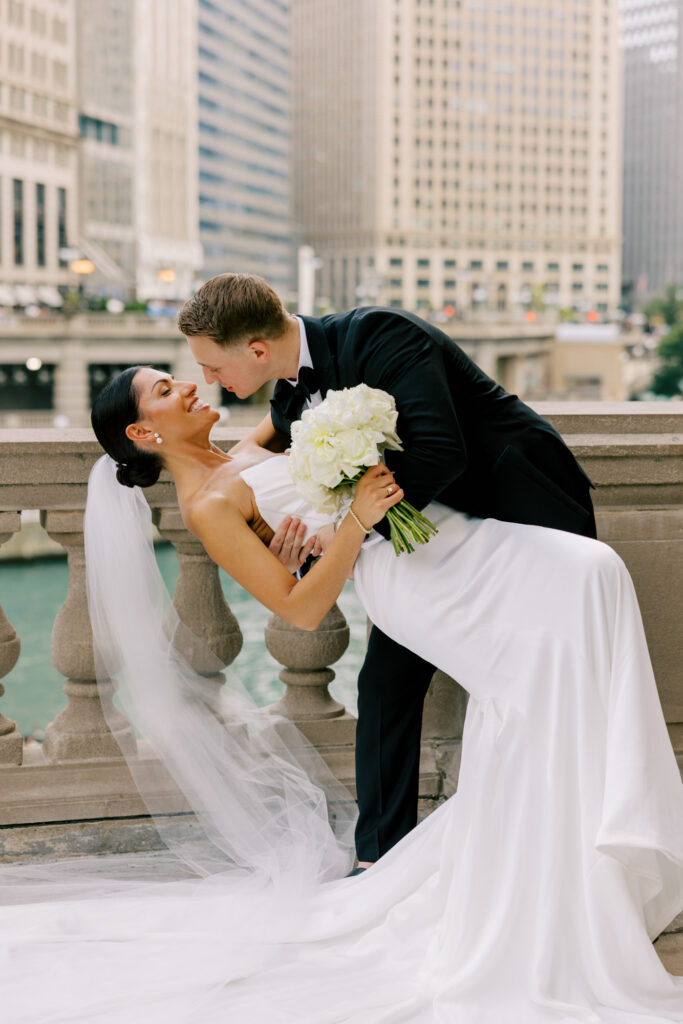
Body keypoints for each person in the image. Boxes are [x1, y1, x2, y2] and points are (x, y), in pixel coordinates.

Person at [1, 361, 681, 1023]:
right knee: (548, 656)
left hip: (438, 547)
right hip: (404, 582)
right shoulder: (207, 506)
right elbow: (296, 608)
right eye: (162, 389)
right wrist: (353, 521)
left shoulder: (241, 450)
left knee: (586, 587)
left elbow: (302, 395)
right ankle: (541, 898)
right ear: (144, 435)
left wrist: (347, 448)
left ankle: (571, 870)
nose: (186, 383)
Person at [177, 272, 598, 870]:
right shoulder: (288, 399)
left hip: (525, 515)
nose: (209, 381)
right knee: (382, 687)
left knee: (525, 686)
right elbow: (270, 473)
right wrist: (286, 539)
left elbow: (438, 451)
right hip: (433, 545)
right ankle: (380, 862)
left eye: (212, 367)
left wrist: (344, 529)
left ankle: (557, 845)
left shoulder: (381, 334)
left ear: (257, 349)